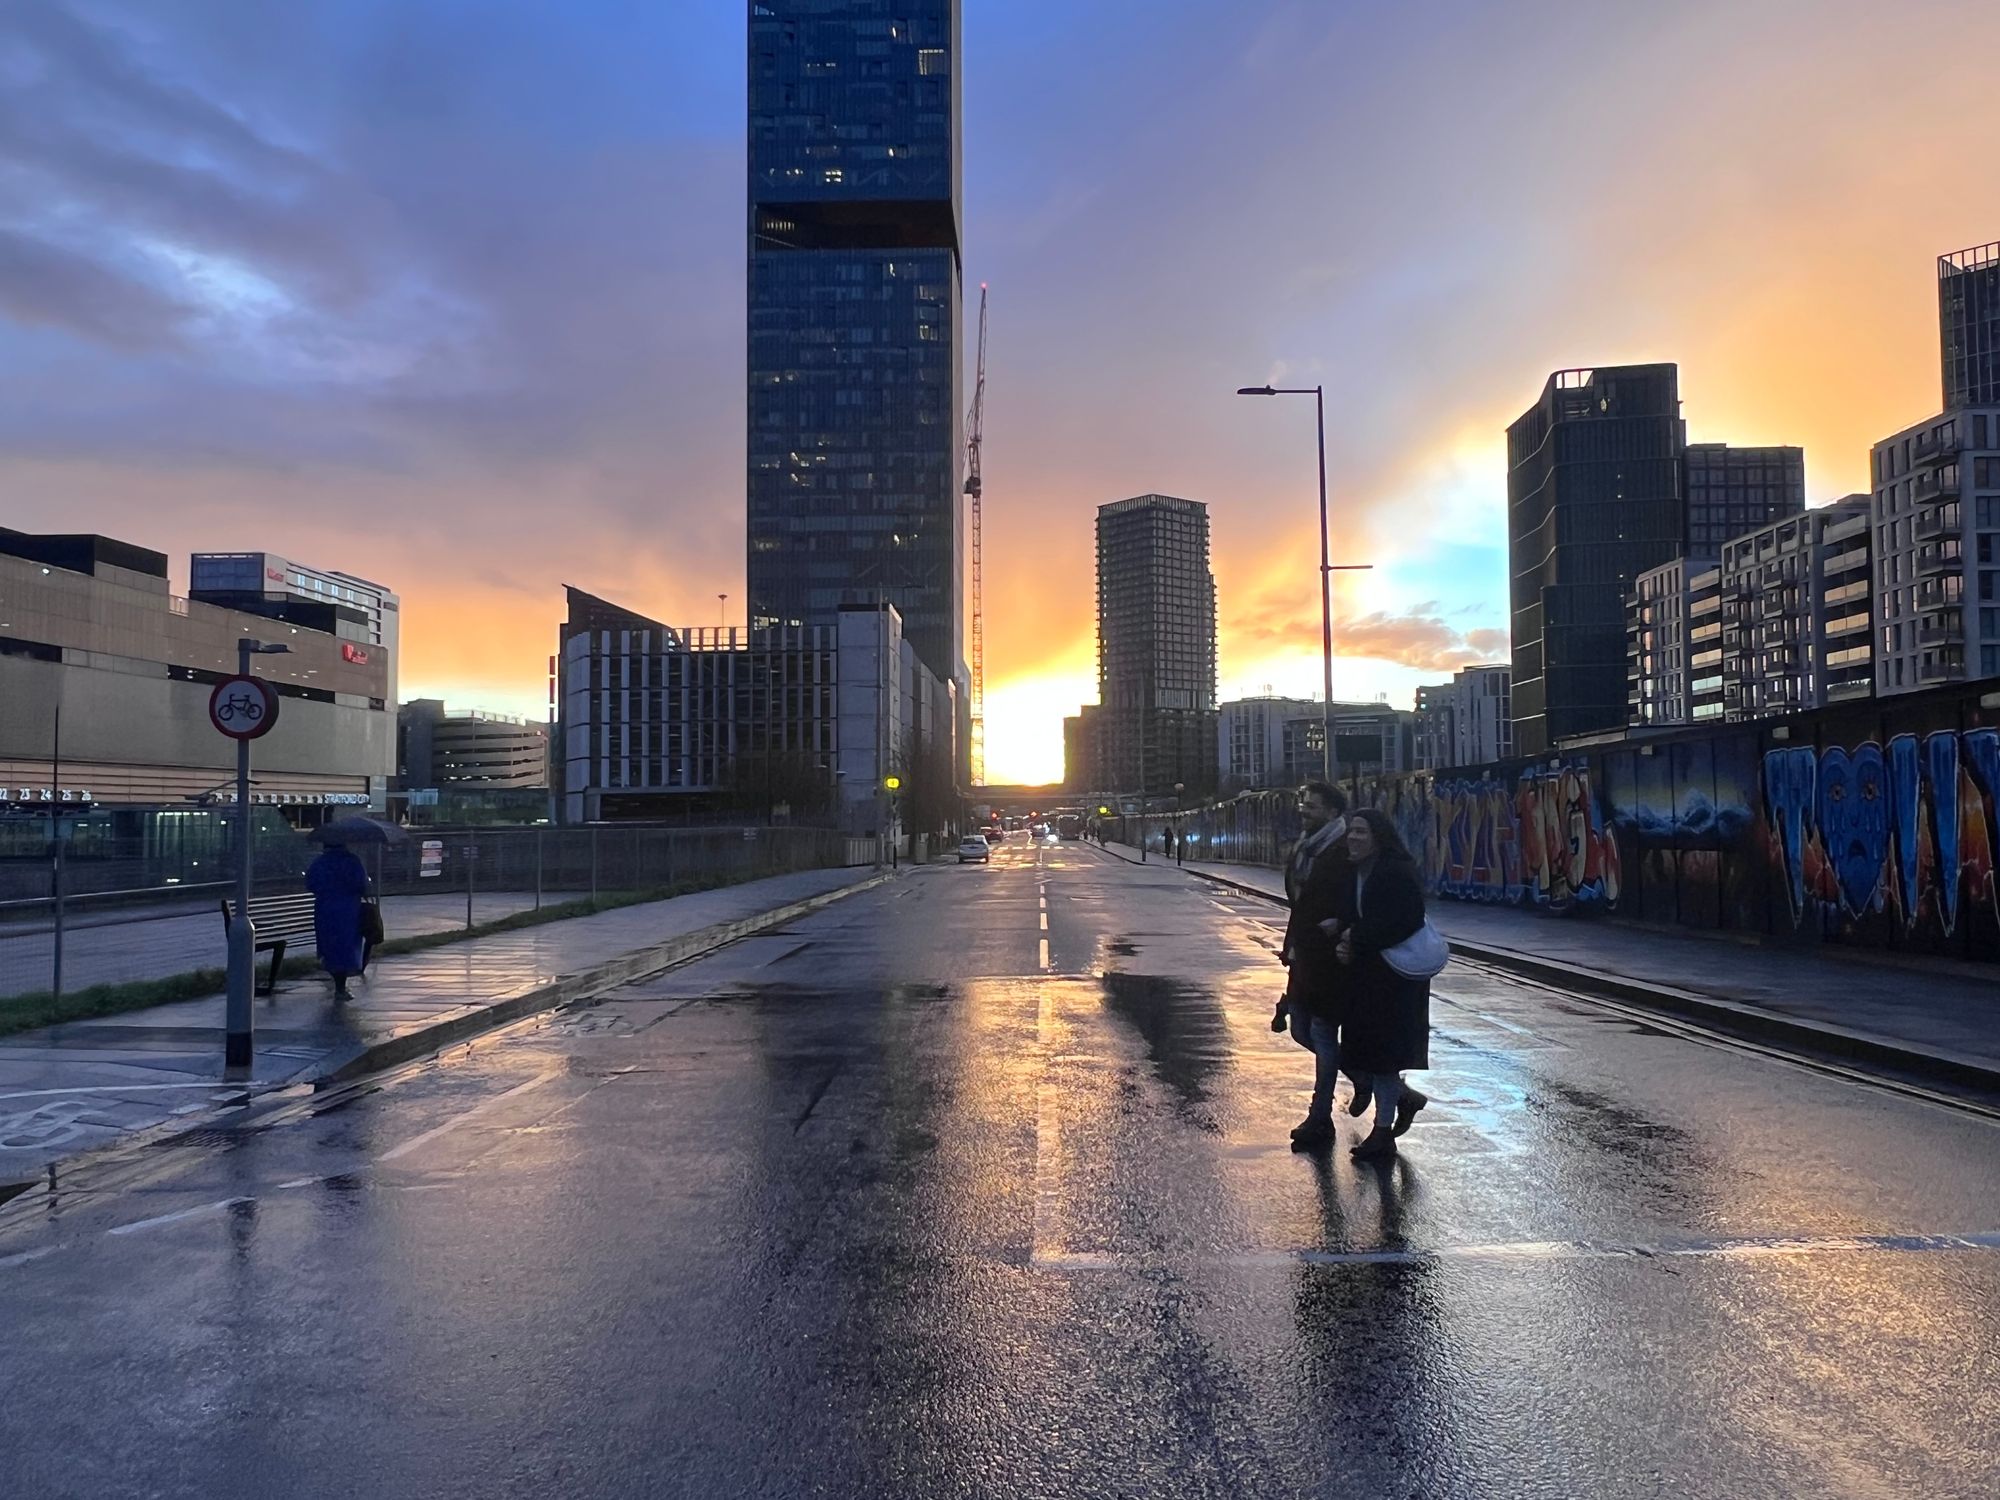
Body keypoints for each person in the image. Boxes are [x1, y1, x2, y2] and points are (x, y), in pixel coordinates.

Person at [1332, 807, 1433, 1161]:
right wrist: (1342, 930)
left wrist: (1354, 936)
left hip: (1394, 981)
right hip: (1368, 978)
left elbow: (1404, 920)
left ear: (1378, 836)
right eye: (1350, 831)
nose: (1352, 838)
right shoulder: (1360, 870)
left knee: (1384, 1059)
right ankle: (1401, 1103)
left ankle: (1383, 1132)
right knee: (1364, 1055)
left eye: (1360, 831)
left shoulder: (1394, 872)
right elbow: (1358, 915)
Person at [1278, 781, 1352, 1152]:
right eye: (1303, 803)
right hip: (1304, 952)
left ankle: (1319, 1117)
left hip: (1330, 957)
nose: (1304, 810)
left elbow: (1358, 898)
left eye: (1313, 806)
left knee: (1321, 1034)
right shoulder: (1306, 849)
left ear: (1333, 812)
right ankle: (1383, 1085)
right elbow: (1299, 906)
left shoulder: (1343, 850)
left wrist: (1340, 923)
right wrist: (1290, 945)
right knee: (1300, 1029)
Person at [305, 838, 371, 1001]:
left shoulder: (319, 862)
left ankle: (337, 981)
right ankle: (341, 985)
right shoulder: (352, 861)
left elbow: (310, 884)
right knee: (347, 945)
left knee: (329, 945)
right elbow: (362, 885)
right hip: (349, 910)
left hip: (325, 909)